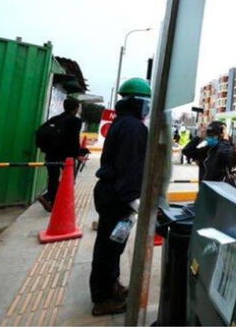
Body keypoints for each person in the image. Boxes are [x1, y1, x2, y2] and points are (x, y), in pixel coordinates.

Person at [89, 78, 151, 316]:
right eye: (145, 102)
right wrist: (132, 199)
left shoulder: (124, 122)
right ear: (136, 102)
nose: (147, 107)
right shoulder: (134, 128)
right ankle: (103, 298)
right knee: (108, 249)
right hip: (117, 197)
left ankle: (111, 285)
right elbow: (129, 166)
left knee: (113, 246)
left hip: (113, 195)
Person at [37, 98, 84, 212]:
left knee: (52, 178)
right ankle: (50, 198)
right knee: (69, 180)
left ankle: (51, 200)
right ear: (75, 109)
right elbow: (74, 140)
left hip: (51, 154)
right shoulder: (75, 121)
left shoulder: (55, 119)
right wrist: (78, 154)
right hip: (66, 156)